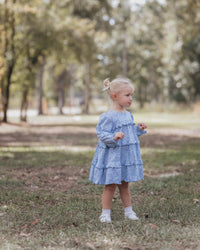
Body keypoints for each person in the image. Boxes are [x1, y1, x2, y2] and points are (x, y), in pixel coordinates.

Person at [89, 78, 147, 223]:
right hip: (113, 157)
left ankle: (129, 211)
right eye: (127, 95)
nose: (131, 98)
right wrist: (113, 137)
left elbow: (130, 134)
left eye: (131, 95)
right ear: (115, 96)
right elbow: (101, 133)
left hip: (125, 157)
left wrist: (138, 130)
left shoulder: (128, 115)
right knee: (110, 185)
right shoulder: (108, 116)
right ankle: (105, 213)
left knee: (125, 184)